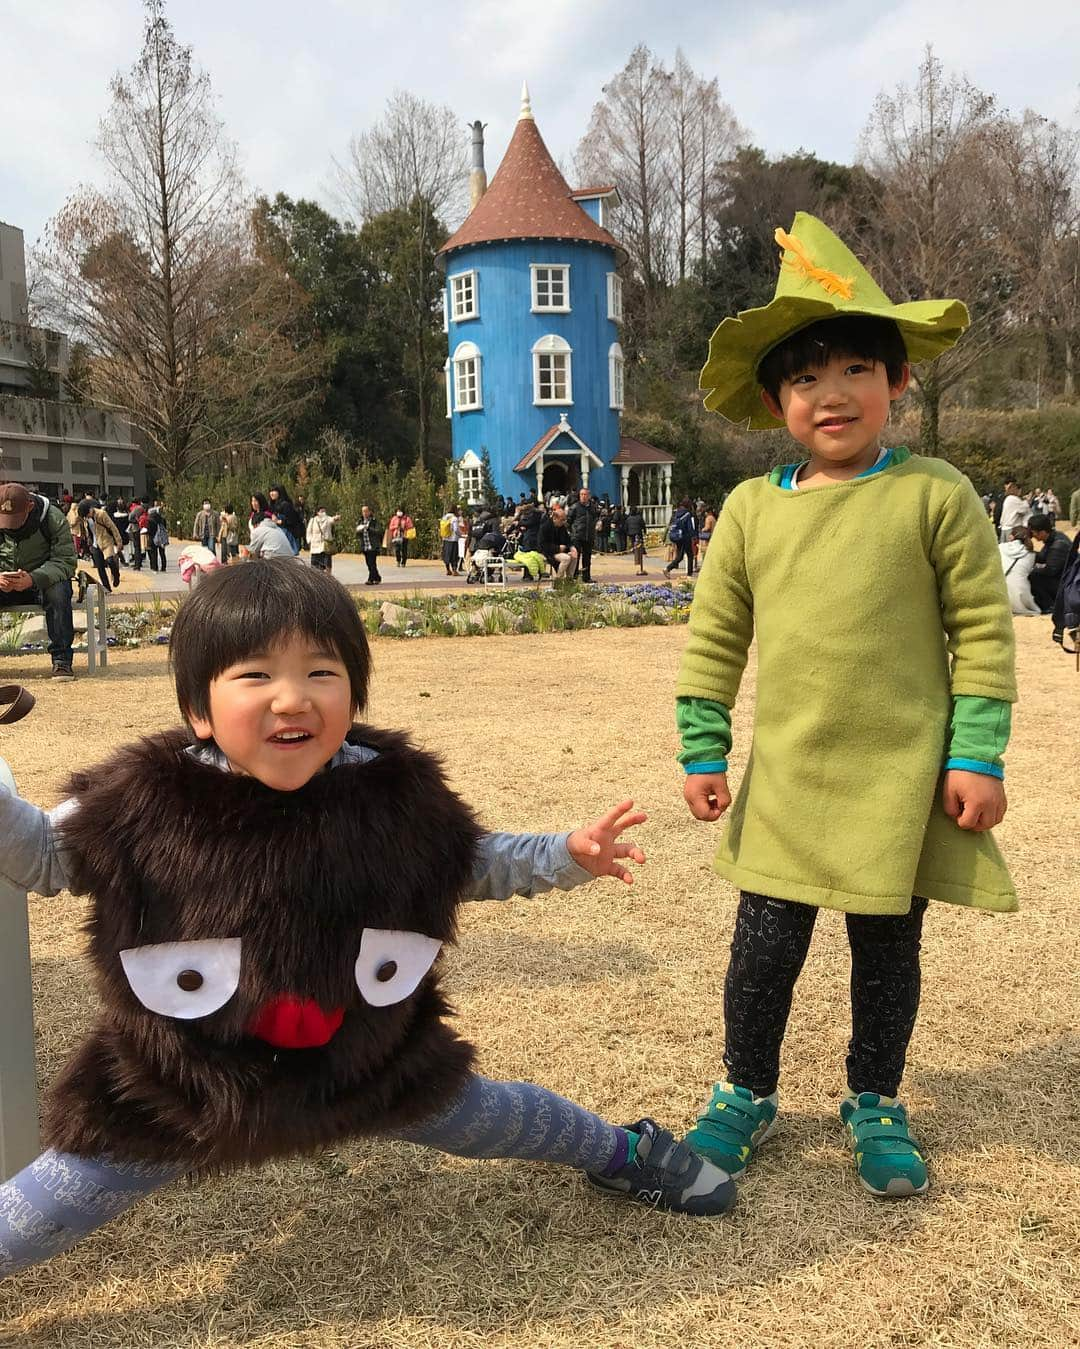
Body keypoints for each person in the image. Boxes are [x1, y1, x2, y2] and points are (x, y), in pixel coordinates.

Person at [0, 562, 735, 1280]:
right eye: (255, 675)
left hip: (370, 1064)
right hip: (186, 1085)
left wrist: (567, 853)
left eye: (321, 672)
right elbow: (40, 854)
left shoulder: (394, 796)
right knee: (44, 1210)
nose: (293, 699)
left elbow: (472, 860)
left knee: (498, 1118)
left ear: (354, 692)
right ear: (199, 708)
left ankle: (623, 1153)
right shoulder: (142, 804)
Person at [678, 213, 1017, 1201]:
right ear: (777, 398)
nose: (831, 392)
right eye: (805, 375)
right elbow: (714, 642)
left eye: (855, 367)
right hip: (789, 775)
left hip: (899, 776)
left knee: (886, 950)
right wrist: (704, 748)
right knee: (764, 950)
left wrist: (978, 756)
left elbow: (985, 635)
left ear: (896, 379)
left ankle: (875, 1095)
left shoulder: (936, 495)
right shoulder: (748, 511)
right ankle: (745, 1087)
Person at [0, 482, 77, 680]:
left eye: (14, 520)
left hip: (42, 580)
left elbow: (66, 561)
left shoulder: (53, 518)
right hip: (5, 581)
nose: (10, 526)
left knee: (59, 592)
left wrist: (34, 578)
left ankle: (61, 660)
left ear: (30, 507)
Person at [72, 498, 123, 592]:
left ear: (91, 509)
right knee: (100, 567)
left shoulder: (101, 514)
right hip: (95, 544)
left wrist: (119, 542)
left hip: (106, 541)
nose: (87, 517)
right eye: (85, 516)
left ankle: (116, 574)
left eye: (87, 514)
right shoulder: (85, 518)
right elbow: (82, 527)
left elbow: (113, 528)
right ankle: (107, 588)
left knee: (110, 560)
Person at [1027, 512, 1071, 613]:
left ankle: (1049, 606)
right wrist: (1026, 553)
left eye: (1033, 532)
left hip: (1066, 584)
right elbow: (1043, 557)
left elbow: (1050, 571)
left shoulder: (1058, 544)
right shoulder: (1053, 538)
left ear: (1042, 532)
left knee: (1034, 576)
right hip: (1063, 579)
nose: (1032, 536)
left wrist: (1032, 569)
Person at [998, 526, 1041, 616]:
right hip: (1023, 597)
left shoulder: (1000, 547)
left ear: (1011, 536)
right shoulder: (1030, 553)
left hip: (1002, 596)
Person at [538, 504, 577, 578]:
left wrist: (572, 547)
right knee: (566, 558)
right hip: (549, 552)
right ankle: (558, 579)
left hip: (561, 551)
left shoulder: (562, 527)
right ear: (555, 518)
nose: (564, 522)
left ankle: (569, 579)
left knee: (574, 556)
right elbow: (542, 545)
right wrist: (558, 548)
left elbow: (567, 539)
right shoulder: (545, 527)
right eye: (562, 520)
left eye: (564, 520)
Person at [566, 488, 596, 582]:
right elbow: (568, 521)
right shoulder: (575, 507)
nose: (583, 496)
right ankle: (574, 577)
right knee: (576, 557)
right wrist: (571, 533)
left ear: (589, 496)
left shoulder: (593, 507)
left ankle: (586, 577)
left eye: (585, 494)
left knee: (587, 558)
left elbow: (595, 518)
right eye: (581, 494)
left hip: (589, 536)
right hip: (577, 536)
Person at [663, 499, 697, 577]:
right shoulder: (688, 514)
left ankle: (668, 569)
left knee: (680, 556)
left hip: (677, 536)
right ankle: (689, 574)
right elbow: (690, 527)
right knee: (690, 555)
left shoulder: (676, 513)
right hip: (685, 537)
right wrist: (693, 536)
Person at [268, 485, 304, 554]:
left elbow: (293, 521)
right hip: (276, 536)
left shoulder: (286, 505)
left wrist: (279, 521)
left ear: (280, 492)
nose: (271, 493)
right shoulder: (272, 505)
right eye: (270, 491)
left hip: (287, 536)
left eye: (274, 491)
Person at [305, 506, 340, 573]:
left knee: (327, 565)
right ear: (317, 512)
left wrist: (336, 518)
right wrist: (309, 541)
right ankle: (317, 581)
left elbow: (333, 520)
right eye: (322, 511)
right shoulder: (313, 520)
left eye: (324, 511)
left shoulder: (328, 519)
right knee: (315, 566)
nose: (323, 513)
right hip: (315, 546)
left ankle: (329, 580)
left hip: (325, 546)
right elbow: (308, 531)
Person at [355, 505, 382, 585]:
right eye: (363, 511)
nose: (365, 513)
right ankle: (377, 577)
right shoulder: (360, 521)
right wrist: (359, 530)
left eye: (366, 511)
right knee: (369, 563)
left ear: (370, 512)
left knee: (372, 563)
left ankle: (370, 579)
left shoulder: (374, 521)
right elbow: (357, 533)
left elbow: (378, 531)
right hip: (365, 546)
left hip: (373, 546)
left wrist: (369, 529)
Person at [146, 502, 169, 572]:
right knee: (162, 553)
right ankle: (163, 567)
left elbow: (149, 530)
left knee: (153, 554)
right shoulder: (162, 519)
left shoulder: (150, 520)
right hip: (161, 538)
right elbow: (165, 528)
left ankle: (155, 567)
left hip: (153, 538)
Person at [625, 506, 647, 575]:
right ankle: (642, 551)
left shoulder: (628, 518)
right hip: (638, 532)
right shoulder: (639, 518)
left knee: (633, 542)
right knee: (640, 542)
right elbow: (643, 525)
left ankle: (634, 552)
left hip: (631, 533)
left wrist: (627, 532)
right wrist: (645, 531)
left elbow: (626, 526)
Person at [127, 498, 146, 570]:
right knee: (140, 546)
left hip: (136, 528)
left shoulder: (137, 508)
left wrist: (134, 521)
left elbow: (130, 517)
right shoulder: (144, 508)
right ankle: (139, 562)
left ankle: (137, 565)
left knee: (136, 547)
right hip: (142, 528)